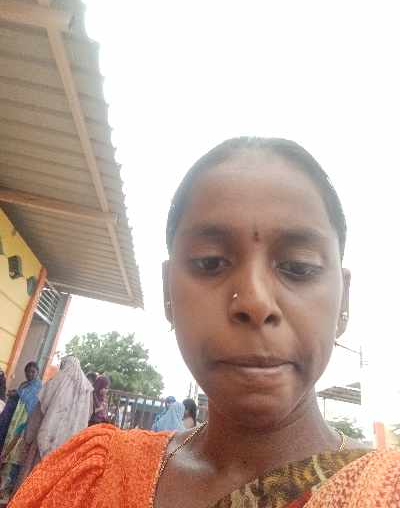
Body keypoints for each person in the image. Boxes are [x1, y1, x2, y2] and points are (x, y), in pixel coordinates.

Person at [10, 138, 400, 507]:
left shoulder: (385, 491)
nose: (254, 302)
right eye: (210, 262)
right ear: (168, 291)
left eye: (299, 267)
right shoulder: (89, 480)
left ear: (343, 300)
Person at [16, 355, 93, 490]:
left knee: (32, 478)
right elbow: (86, 418)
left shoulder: (57, 380)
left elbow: (38, 412)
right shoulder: (86, 389)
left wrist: (28, 438)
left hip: (44, 440)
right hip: (68, 448)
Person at [0, 362, 41, 500]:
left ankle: (10, 485)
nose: (30, 374)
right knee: (9, 443)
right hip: (15, 418)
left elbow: (34, 405)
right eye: (28, 371)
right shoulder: (24, 384)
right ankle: (4, 481)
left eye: (33, 371)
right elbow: (19, 396)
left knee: (17, 449)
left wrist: (17, 393)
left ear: (38, 372)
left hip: (26, 420)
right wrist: (16, 393)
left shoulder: (39, 387)